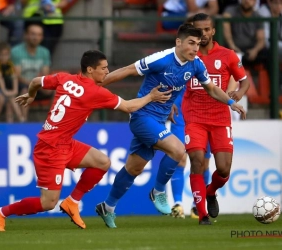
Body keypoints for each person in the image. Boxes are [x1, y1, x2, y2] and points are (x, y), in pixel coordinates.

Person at [0, 50, 172, 232]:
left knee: (102, 162)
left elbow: (35, 81)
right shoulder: (95, 92)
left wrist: (32, 95)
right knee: (48, 203)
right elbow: (129, 106)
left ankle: (72, 202)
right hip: (50, 149)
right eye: (103, 68)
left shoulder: (64, 78)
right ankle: (0, 212)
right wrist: (151, 97)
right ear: (90, 70)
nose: (107, 72)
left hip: (64, 143)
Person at [95, 23, 246, 228]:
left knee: (133, 167)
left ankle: (108, 206)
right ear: (178, 42)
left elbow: (211, 88)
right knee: (178, 150)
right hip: (142, 115)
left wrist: (231, 103)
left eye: (197, 44)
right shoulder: (161, 59)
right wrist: (95, 86)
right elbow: (129, 70)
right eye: (191, 43)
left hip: (160, 119)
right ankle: (158, 192)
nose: (195, 48)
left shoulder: (196, 64)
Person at [181, 13, 250, 225]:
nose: (202, 34)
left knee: (223, 169)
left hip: (220, 117)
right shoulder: (186, 55)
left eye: (206, 29)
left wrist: (238, 93)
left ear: (213, 31)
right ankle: (202, 214)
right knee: (197, 161)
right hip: (194, 116)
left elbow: (244, 80)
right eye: (198, 30)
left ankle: (211, 192)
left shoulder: (227, 55)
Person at [167, 87, 211, 219]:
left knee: (202, 162)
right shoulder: (179, 66)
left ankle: (197, 205)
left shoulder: (206, 68)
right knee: (179, 157)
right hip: (181, 115)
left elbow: (231, 78)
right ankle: (177, 204)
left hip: (204, 116)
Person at [11, 21, 52, 121]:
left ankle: (51, 121)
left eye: (39, 35)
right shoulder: (16, 51)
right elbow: (17, 76)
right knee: (26, 91)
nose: (36, 37)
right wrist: (34, 82)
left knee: (56, 91)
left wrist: (39, 82)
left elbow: (45, 74)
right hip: (22, 85)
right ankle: (23, 121)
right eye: (33, 34)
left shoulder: (44, 52)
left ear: (42, 37)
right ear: (26, 35)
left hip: (38, 84)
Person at [0, 42, 25, 123]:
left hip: (1, 88)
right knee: (3, 98)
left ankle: (17, 119)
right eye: (1, 55)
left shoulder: (10, 63)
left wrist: (15, 90)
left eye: (6, 55)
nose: (4, 57)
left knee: (11, 98)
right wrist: (5, 91)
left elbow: (14, 77)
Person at [222, 0, 267, 68]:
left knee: (269, 54)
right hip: (233, 49)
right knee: (228, 55)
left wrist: (255, 50)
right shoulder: (232, 10)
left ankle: (275, 78)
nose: (247, 1)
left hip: (250, 51)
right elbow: (225, 22)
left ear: (255, 2)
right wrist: (232, 46)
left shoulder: (257, 15)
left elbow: (261, 39)